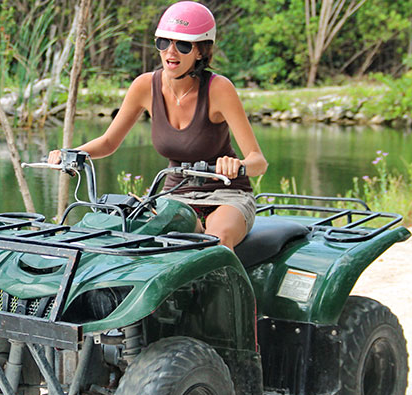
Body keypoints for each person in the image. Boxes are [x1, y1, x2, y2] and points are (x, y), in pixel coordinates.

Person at [48, 1, 267, 250]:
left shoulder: (219, 89)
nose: (171, 52)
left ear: (200, 52)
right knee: (130, 240)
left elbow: (258, 161)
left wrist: (237, 165)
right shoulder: (144, 86)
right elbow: (109, 142)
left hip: (227, 195)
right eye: (164, 42)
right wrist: (72, 154)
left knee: (215, 244)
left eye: (183, 45)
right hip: (174, 197)